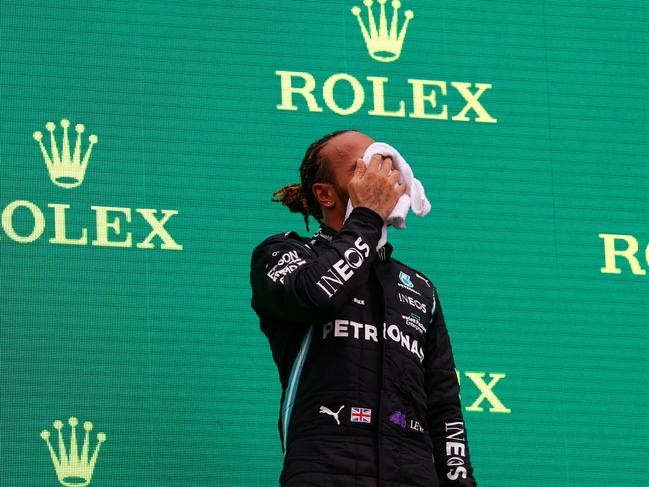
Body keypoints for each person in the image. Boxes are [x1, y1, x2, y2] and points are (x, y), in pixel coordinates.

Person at [249, 130, 477, 487]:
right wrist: (368, 214)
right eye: (364, 168)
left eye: (384, 162)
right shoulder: (285, 254)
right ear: (324, 193)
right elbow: (317, 295)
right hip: (325, 471)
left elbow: (444, 407)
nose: (381, 174)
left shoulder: (421, 288)